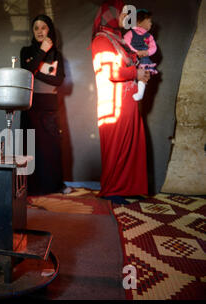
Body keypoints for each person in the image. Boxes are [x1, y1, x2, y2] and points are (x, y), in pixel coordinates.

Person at [91, 0, 150, 204]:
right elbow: (111, 71)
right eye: (123, 14)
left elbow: (131, 64)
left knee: (132, 146)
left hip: (128, 101)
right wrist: (136, 71)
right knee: (117, 147)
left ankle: (129, 187)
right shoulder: (101, 41)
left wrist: (140, 70)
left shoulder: (119, 40)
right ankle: (112, 189)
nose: (127, 18)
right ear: (111, 15)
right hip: (113, 105)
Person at [20, 14, 71, 195]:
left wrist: (35, 71)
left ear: (49, 30)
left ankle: (55, 185)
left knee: (51, 149)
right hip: (30, 106)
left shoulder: (57, 55)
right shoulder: (26, 51)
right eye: (36, 28)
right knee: (31, 147)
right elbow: (25, 73)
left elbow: (59, 81)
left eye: (43, 27)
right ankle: (30, 187)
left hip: (50, 107)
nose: (40, 31)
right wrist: (41, 51)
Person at [124, 9, 158, 101]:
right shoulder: (130, 33)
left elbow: (154, 47)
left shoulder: (149, 36)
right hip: (132, 59)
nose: (151, 24)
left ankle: (140, 92)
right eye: (149, 21)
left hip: (144, 59)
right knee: (131, 76)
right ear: (139, 22)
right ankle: (131, 91)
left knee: (144, 75)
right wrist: (136, 52)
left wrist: (147, 52)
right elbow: (126, 43)